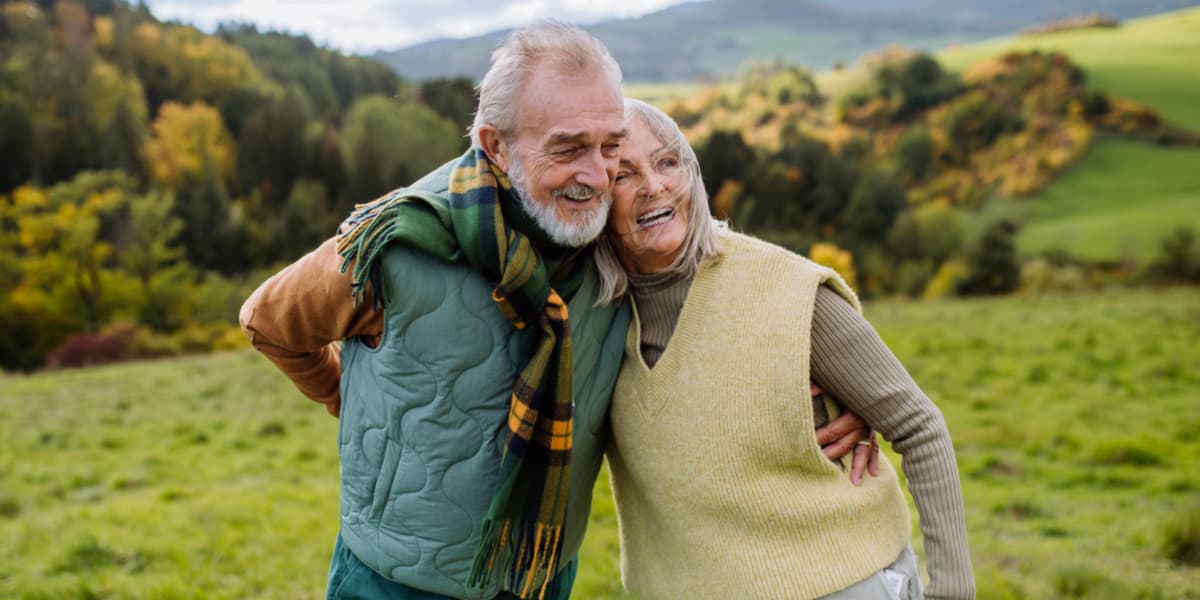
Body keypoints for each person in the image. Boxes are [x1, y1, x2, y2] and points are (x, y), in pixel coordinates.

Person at [240, 21, 873, 600]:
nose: (596, 175)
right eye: (568, 149)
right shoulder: (398, 241)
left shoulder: (607, 239)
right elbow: (267, 323)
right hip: (395, 582)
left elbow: (706, 283)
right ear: (495, 144)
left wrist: (829, 393)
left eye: (609, 147)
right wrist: (344, 396)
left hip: (541, 577)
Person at [596, 99, 975, 599]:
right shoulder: (593, 315)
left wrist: (952, 593)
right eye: (623, 175)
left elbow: (919, 427)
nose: (653, 185)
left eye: (667, 162)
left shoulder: (788, 291)